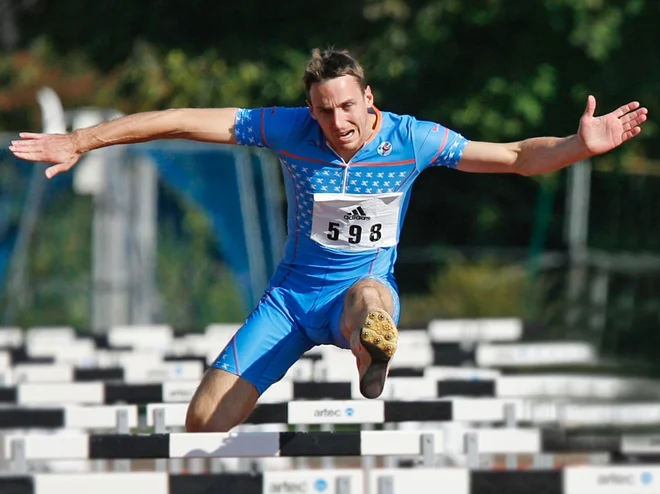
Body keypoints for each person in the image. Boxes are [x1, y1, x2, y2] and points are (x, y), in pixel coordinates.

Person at [9, 48, 648, 433]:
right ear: (309, 110)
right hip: (290, 301)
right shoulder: (286, 129)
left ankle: (372, 355)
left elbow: (510, 155)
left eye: (347, 107)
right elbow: (178, 119)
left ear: (370, 99)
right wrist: (81, 139)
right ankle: (361, 357)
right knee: (202, 420)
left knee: (370, 297)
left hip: (361, 290)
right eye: (323, 110)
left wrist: (574, 148)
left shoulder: (412, 140)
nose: (337, 123)